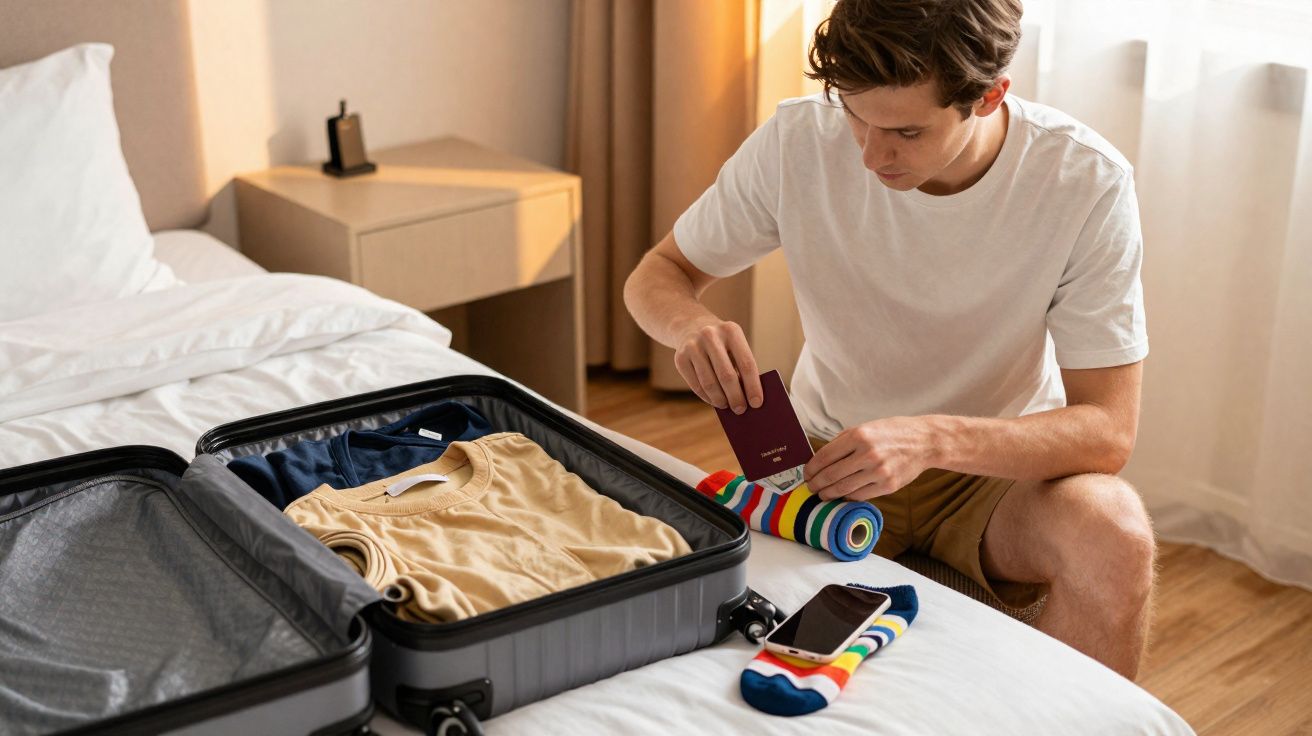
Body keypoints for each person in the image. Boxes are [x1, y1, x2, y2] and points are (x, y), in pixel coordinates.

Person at [623, 0, 1154, 679]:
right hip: (824, 460)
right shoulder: (797, 141)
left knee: (1116, 534)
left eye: (906, 130)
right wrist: (687, 324)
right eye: (854, 115)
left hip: (991, 478)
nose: (872, 154)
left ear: (989, 96)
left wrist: (930, 440)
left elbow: (1108, 431)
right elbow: (658, 274)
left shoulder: (1083, 181)